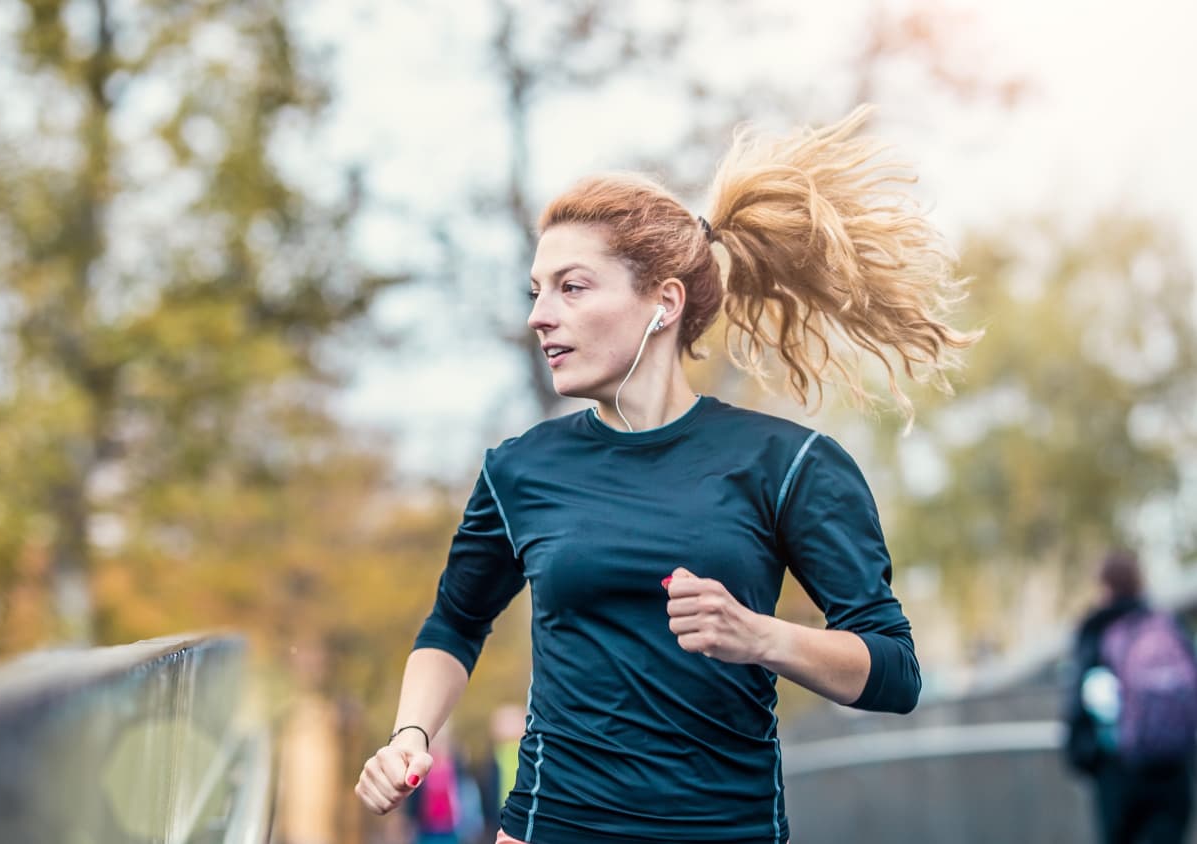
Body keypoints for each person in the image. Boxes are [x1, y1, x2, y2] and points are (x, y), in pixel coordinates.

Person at [354, 105, 978, 843]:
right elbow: (454, 625)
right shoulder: (519, 470)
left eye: (572, 287)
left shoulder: (786, 464)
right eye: (536, 290)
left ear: (663, 304)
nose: (539, 317)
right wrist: (411, 735)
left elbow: (895, 672)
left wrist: (759, 637)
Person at [1064, 550, 1196, 844]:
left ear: (1104, 587)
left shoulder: (1096, 630)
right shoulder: (1167, 625)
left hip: (1118, 773)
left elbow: (1077, 706)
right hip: (1172, 771)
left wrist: (1086, 758)